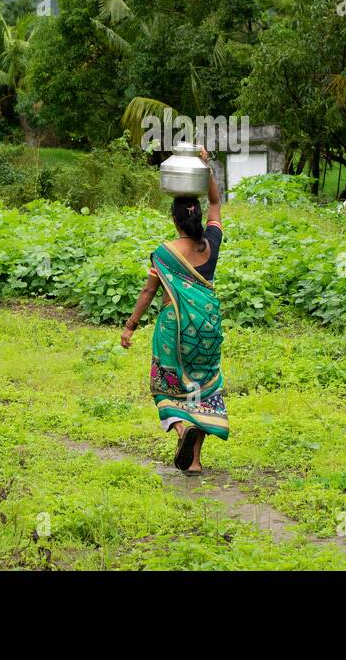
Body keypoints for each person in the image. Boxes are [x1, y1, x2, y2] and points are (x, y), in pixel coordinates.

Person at [120, 145, 225, 475]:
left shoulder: (163, 255)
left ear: (175, 219)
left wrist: (130, 326)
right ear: (197, 218)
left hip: (173, 329)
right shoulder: (210, 244)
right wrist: (206, 167)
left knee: (165, 386)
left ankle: (181, 428)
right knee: (201, 387)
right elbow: (217, 204)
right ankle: (194, 461)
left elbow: (149, 290)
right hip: (207, 327)